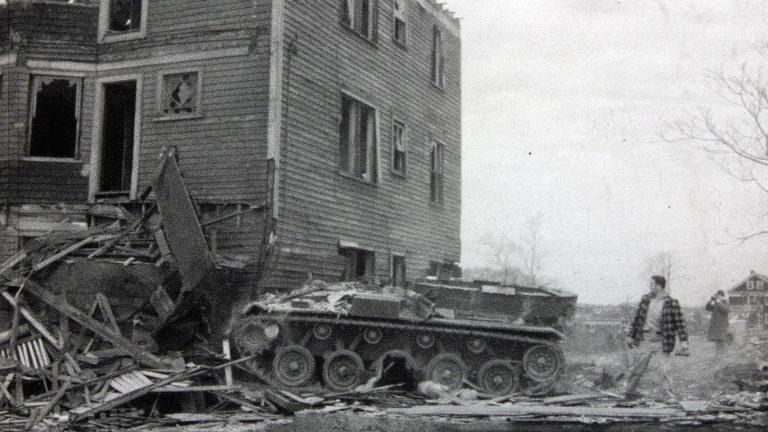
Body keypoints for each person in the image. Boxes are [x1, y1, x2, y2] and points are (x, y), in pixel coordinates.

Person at [625, 275, 689, 400]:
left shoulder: (671, 302)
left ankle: (667, 396)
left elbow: (680, 323)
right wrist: (630, 336)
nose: (650, 287)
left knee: (665, 370)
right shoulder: (645, 300)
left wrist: (684, 341)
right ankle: (629, 392)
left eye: (652, 284)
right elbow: (637, 319)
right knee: (637, 368)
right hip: (645, 339)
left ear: (659, 286)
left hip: (663, 340)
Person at [705, 290, 730, 355]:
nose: (718, 298)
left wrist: (718, 302)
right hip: (716, 326)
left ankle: (723, 355)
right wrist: (711, 300)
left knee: (722, 341)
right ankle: (718, 355)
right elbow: (707, 308)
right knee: (718, 341)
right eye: (717, 296)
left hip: (722, 326)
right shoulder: (716, 303)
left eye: (719, 296)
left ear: (722, 296)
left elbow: (725, 310)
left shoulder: (725, 302)